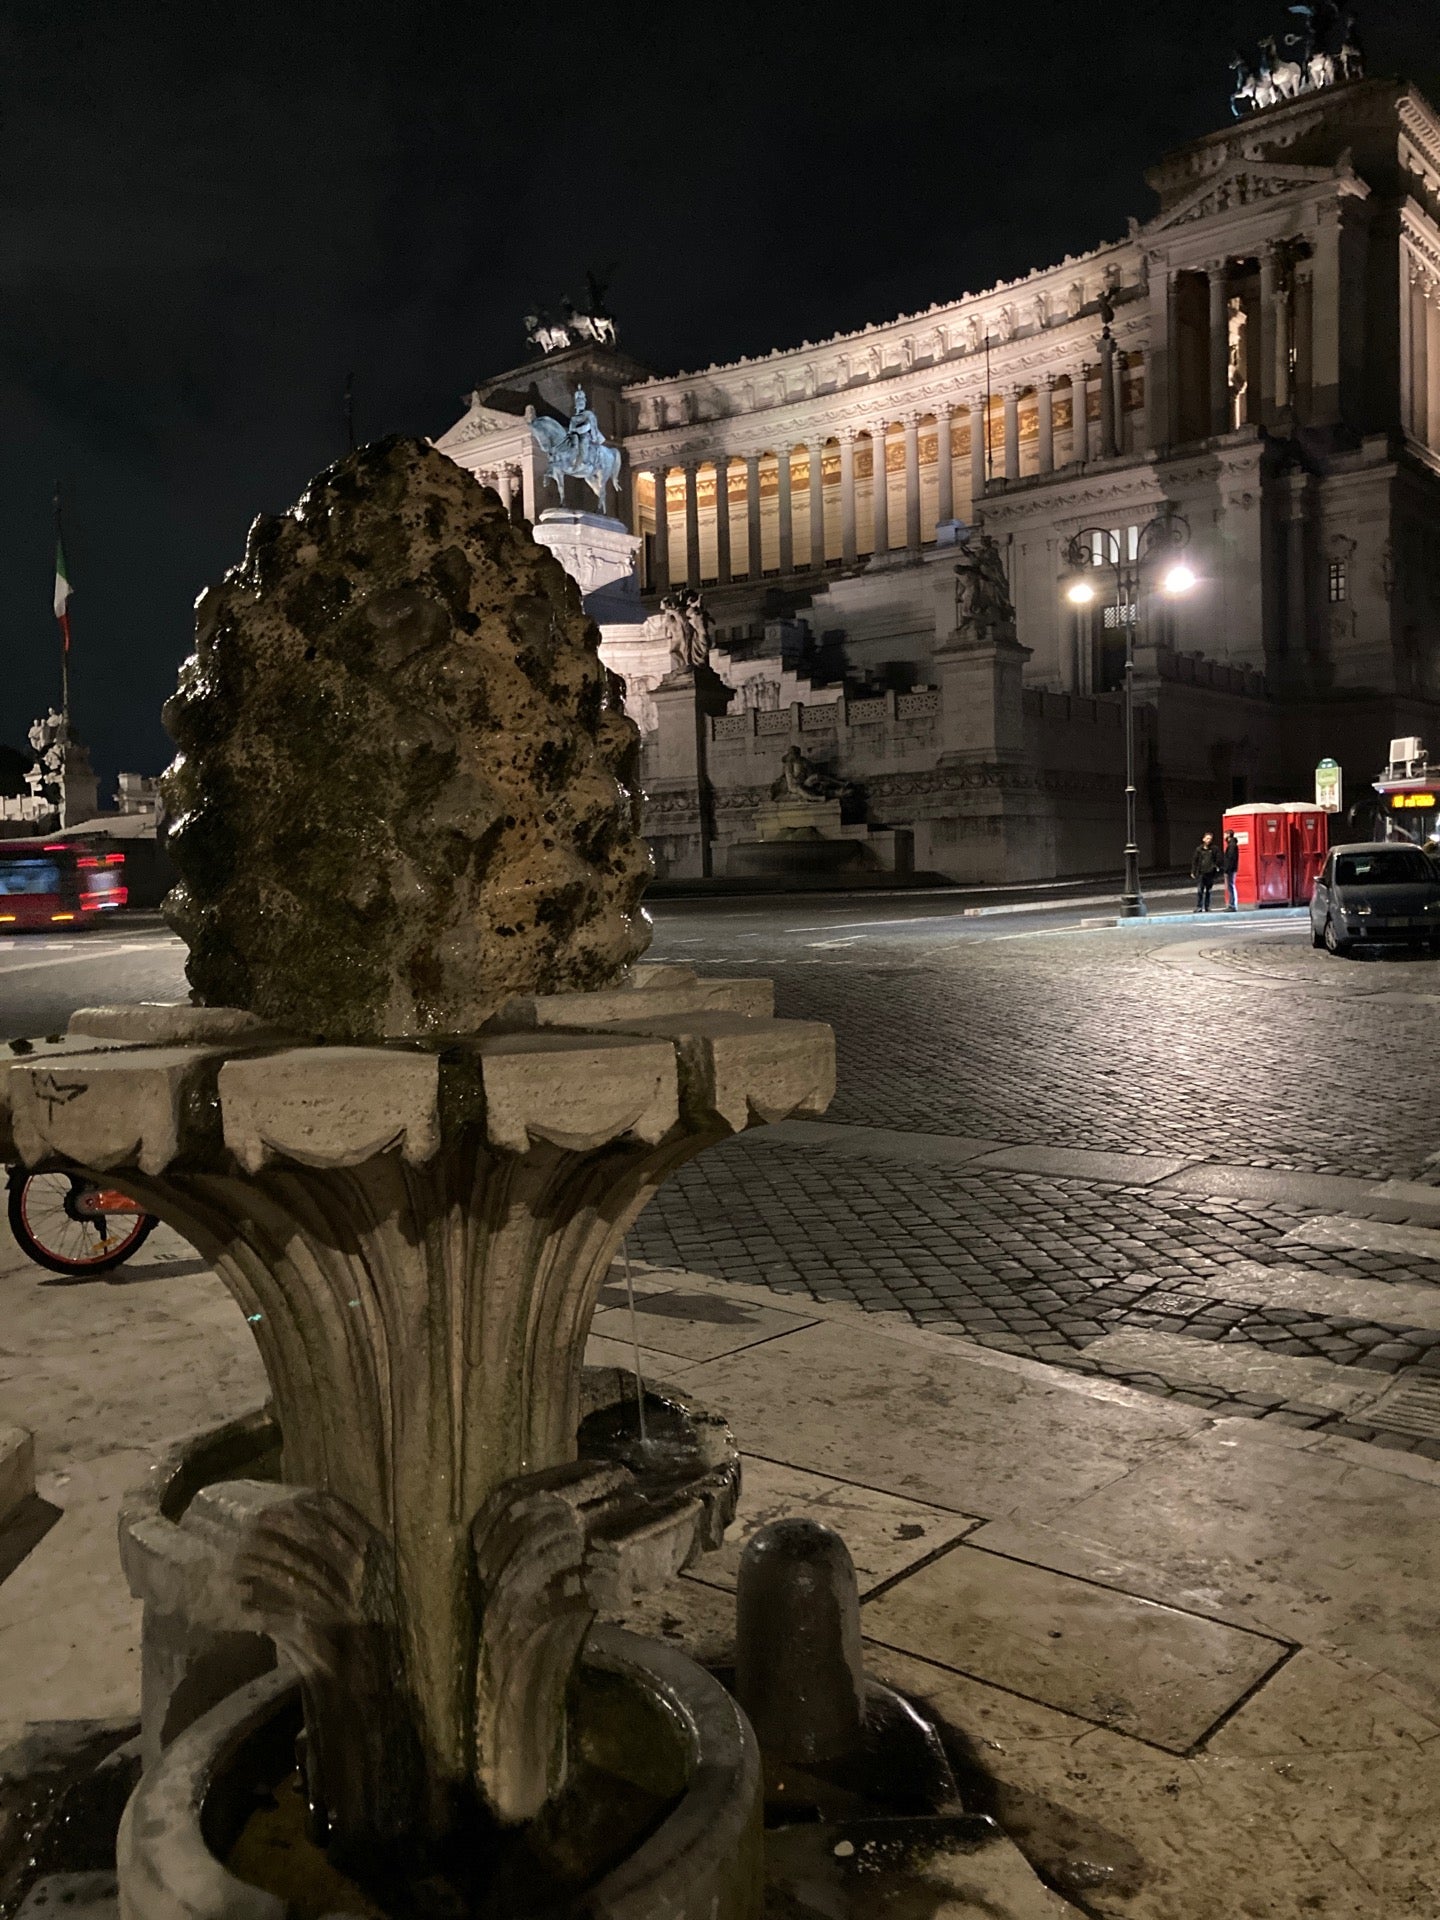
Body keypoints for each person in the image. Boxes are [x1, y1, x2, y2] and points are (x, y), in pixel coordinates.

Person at [1192, 831, 1222, 912]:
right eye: (1207, 838)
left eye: (1210, 839)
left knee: (1209, 890)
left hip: (1210, 873)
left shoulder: (1214, 849)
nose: (1209, 840)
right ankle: (1199, 907)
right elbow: (1195, 861)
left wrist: (1215, 867)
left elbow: (1219, 859)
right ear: (1203, 839)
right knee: (1200, 890)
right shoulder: (1199, 849)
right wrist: (1193, 871)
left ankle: (1207, 906)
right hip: (1201, 873)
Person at [1223, 830, 1241, 911]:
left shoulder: (1231, 846)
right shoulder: (1232, 845)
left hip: (1231, 869)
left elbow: (1230, 859)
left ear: (1228, 835)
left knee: (1231, 886)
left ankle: (1232, 905)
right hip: (1232, 868)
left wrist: (1226, 869)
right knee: (1231, 886)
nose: (1224, 836)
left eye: (1225, 834)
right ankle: (1232, 904)